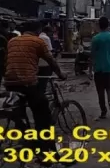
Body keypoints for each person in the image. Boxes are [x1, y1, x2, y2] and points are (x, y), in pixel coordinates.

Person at [4, 20, 65, 156]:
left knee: (20, 111)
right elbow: (51, 61)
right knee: (43, 115)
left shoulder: (12, 41)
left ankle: (24, 135)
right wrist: (60, 74)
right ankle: (43, 152)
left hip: (9, 82)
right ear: (37, 30)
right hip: (27, 83)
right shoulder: (38, 42)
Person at [91, 17, 110, 119]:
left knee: (100, 91)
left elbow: (92, 55)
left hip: (98, 68)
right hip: (109, 67)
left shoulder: (95, 39)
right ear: (108, 25)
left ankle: (103, 111)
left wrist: (90, 70)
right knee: (109, 87)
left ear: (99, 25)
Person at [38, 25, 53, 94]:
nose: (51, 34)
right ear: (48, 32)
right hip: (45, 63)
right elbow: (49, 52)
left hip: (37, 63)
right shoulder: (46, 38)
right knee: (45, 81)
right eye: (51, 32)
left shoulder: (38, 37)